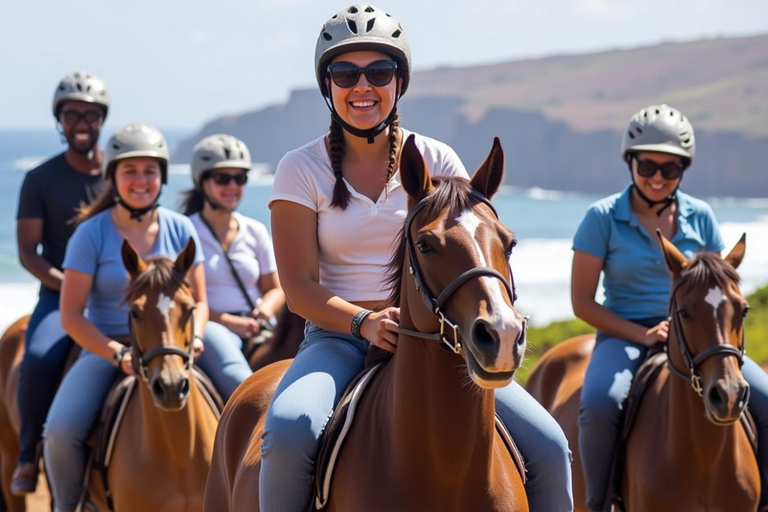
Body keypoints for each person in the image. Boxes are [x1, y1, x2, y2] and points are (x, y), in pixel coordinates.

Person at [262, 5, 573, 511]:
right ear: (328, 86)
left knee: (550, 447)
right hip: (338, 337)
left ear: (398, 83)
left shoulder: (439, 160)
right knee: (290, 428)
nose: (362, 86)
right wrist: (362, 321)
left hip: (441, 339)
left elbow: (472, 251)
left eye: (379, 72)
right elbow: (297, 286)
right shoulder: (299, 169)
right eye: (345, 74)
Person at [571, 103, 768, 511]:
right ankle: (599, 502)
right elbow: (582, 301)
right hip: (626, 330)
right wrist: (642, 333)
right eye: (648, 166)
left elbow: (717, 287)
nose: (658, 178)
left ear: (682, 172)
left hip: (700, 332)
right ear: (631, 163)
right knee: (600, 401)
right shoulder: (601, 218)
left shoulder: (702, 216)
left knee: (765, 397)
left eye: (670, 169)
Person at [42, 122, 238, 512]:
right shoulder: (90, 234)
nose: (141, 180)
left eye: (150, 171)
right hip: (111, 345)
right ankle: (69, 505)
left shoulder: (181, 228)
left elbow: (198, 301)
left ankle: (257, 489)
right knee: (61, 431)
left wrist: (196, 336)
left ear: (161, 177)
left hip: (181, 337)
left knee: (250, 393)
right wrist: (117, 354)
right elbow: (71, 315)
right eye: (130, 171)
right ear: (113, 176)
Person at [12, 71, 109, 494]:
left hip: (116, 298)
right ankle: (29, 452)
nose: (82, 123)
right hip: (58, 298)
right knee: (36, 359)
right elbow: (29, 252)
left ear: (102, 120)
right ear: (60, 120)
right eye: (73, 115)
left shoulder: (120, 173)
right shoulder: (39, 179)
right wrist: (71, 289)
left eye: (91, 115)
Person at [181, 133, 282, 385]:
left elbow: (275, 289)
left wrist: (264, 311)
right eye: (222, 179)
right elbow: (182, 301)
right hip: (213, 326)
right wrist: (231, 322)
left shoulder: (255, 230)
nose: (233, 187)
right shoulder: (184, 232)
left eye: (240, 178)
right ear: (202, 182)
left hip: (258, 324)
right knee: (237, 377)